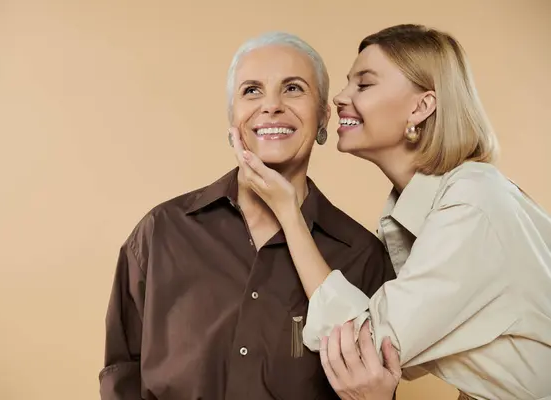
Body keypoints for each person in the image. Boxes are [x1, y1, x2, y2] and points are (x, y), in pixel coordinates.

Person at [230, 24, 551, 400]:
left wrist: (288, 213)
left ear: (421, 106)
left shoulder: (474, 204)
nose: (339, 98)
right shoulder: (410, 219)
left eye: (363, 85)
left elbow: (364, 348)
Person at [98, 31, 398, 400]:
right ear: (232, 118)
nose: (271, 106)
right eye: (251, 91)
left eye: (293, 89)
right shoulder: (161, 233)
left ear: (323, 117)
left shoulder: (361, 255)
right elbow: (121, 373)